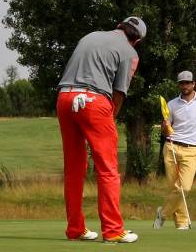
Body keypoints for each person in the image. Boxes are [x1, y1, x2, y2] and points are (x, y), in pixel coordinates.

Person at [55, 16, 146, 243]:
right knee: (107, 168)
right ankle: (113, 230)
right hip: (94, 101)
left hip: (64, 98)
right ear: (137, 40)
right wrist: (110, 119)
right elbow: (119, 92)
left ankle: (75, 229)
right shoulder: (130, 52)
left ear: (118, 26)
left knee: (74, 169)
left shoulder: (91, 36)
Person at [154, 71, 196, 230]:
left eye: (188, 83)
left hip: (191, 149)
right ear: (179, 85)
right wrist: (165, 128)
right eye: (182, 83)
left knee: (184, 187)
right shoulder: (171, 104)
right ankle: (182, 222)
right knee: (175, 188)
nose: (185, 86)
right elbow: (166, 130)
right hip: (171, 146)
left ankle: (162, 213)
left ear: (194, 84)